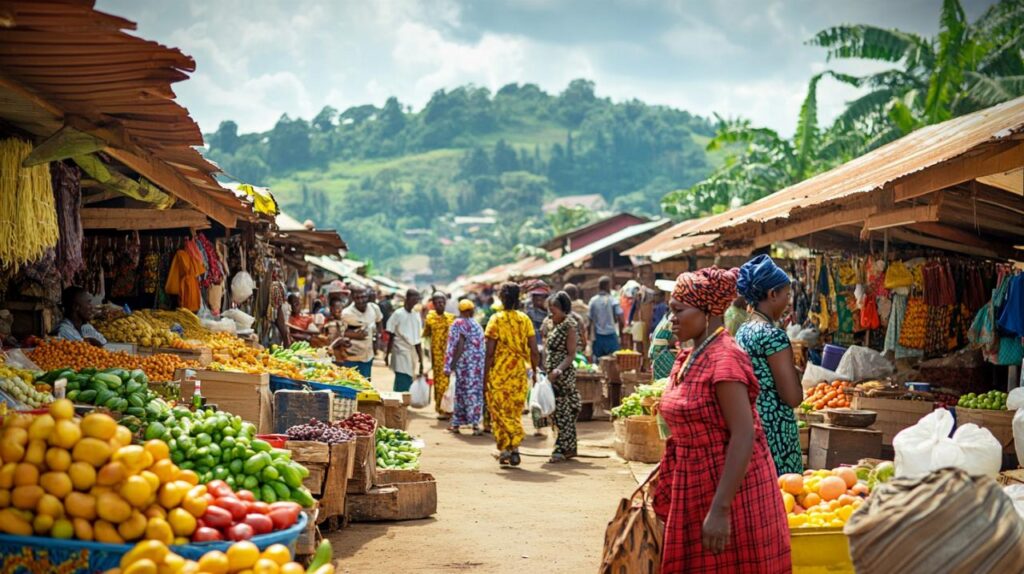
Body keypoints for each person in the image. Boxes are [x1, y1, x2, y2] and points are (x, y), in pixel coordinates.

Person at [653, 267, 790, 572]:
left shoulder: (724, 358)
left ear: (708, 311)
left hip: (731, 492)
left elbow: (744, 434)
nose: (670, 319)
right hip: (695, 482)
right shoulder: (690, 355)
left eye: (678, 311)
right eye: (669, 311)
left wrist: (720, 509)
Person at [735, 254, 803, 475]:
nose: (788, 301)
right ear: (773, 294)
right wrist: (796, 373)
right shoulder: (773, 336)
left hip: (751, 425)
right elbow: (792, 397)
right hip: (776, 431)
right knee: (784, 497)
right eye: (786, 295)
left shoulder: (744, 330)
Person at [484, 282, 539, 467]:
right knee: (514, 413)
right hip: (518, 375)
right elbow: (533, 349)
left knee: (499, 413)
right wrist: (535, 372)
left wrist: (484, 378)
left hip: (499, 375)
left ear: (501, 298)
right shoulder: (525, 320)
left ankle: (506, 449)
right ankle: (514, 450)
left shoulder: (495, 320)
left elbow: (489, 353)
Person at [544, 291, 581, 463]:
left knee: (563, 412)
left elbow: (571, 354)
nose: (551, 315)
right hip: (552, 375)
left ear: (563, 310)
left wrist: (557, 371)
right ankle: (565, 447)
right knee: (557, 412)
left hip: (562, 376)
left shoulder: (569, 325)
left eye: (554, 311)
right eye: (550, 311)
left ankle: (563, 447)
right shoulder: (555, 324)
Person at [444, 299, 485, 435]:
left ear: (461, 311)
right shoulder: (477, 325)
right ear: (472, 310)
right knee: (474, 394)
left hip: (465, 365)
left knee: (460, 393)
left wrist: (451, 365)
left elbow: (458, 345)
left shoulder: (458, 323)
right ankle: (475, 425)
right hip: (477, 367)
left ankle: (456, 425)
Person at [423, 291, 455, 418]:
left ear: (445, 303)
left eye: (442, 302)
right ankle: (440, 409)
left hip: (449, 356)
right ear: (433, 304)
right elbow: (426, 335)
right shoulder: (430, 318)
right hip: (436, 356)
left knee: (448, 383)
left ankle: (449, 409)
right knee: (439, 383)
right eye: (437, 303)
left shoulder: (451, 318)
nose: (440, 305)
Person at [386, 289, 424, 392]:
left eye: (417, 299)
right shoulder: (398, 314)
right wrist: (387, 354)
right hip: (400, 350)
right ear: (407, 298)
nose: (415, 301)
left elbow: (417, 339)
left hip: (411, 351)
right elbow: (391, 335)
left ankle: (404, 401)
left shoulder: (416, 315)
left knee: (409, 376)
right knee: (402, 376)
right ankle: (400, 400)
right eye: (413, 298)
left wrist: (421, 359)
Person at [341, 287, 379, 380]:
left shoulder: (374, 308)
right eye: (357, 298)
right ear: (353, 298)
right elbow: (340, 333)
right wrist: (355, 335)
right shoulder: (346, 313)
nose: (361, 300)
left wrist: (377, 337)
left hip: (367, 356)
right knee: (351, 385)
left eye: (363, 297)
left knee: (365, 385)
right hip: (351, 357)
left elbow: (379, 321)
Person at [588, 276, 623, 359]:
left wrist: (589, 336)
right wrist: (621, 334)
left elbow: (589, 320)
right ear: (608, 286)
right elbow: (620, 317)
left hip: (598, 336)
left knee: (598, 362)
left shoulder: (593, 301)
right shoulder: (613, 300)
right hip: (611, 335)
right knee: (614, 360)